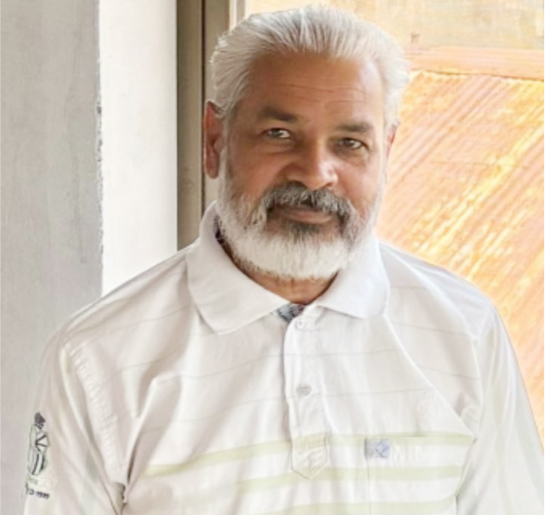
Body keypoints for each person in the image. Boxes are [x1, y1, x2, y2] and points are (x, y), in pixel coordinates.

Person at [23, 6, 542, 514]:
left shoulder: (465, 332)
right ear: (214, 140)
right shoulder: (97, 358)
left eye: (350, 143)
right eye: (279, 134)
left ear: (386, 150)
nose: (315, 172)